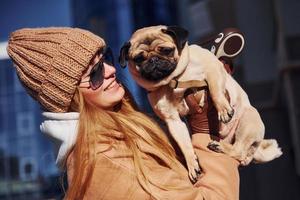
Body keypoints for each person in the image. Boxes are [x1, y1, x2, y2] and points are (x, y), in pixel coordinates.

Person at [7, 27, 239, 200]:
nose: (110, 71)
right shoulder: (108, 160)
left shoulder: (117, 135)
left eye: (106, 58)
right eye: (94, 74)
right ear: (70, 99)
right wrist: (206, 129)